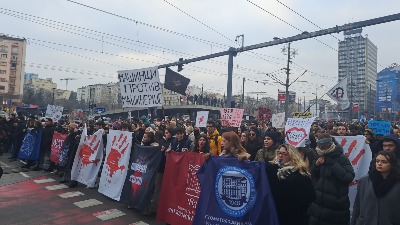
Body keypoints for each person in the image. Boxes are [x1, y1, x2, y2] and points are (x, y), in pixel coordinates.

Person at [309, 133, 355, 225]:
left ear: (330, 145)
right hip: (318, 205)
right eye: (320, 147)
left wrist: (331, 163)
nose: (321, 149)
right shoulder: (319, 156)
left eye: (324, 147)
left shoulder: (342, 158)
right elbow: (313, 175)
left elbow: (348, 177)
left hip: (336, 206)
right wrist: (316, 166)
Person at [266, 144, 316, 225]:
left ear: (292, 156)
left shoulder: (299, 173)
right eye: (279, 153)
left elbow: (311, 196)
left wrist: (293, 181)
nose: (281, 156)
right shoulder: (273, 169)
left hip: (294, 217)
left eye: (285, 154)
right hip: (276, 215)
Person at [351, 151, 400, 225]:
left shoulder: (397, 182)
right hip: (365, 222)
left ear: (392, 164)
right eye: (377, 161)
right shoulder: (365, 181)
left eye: (384, 162)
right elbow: (357, 205)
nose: (379, 164)